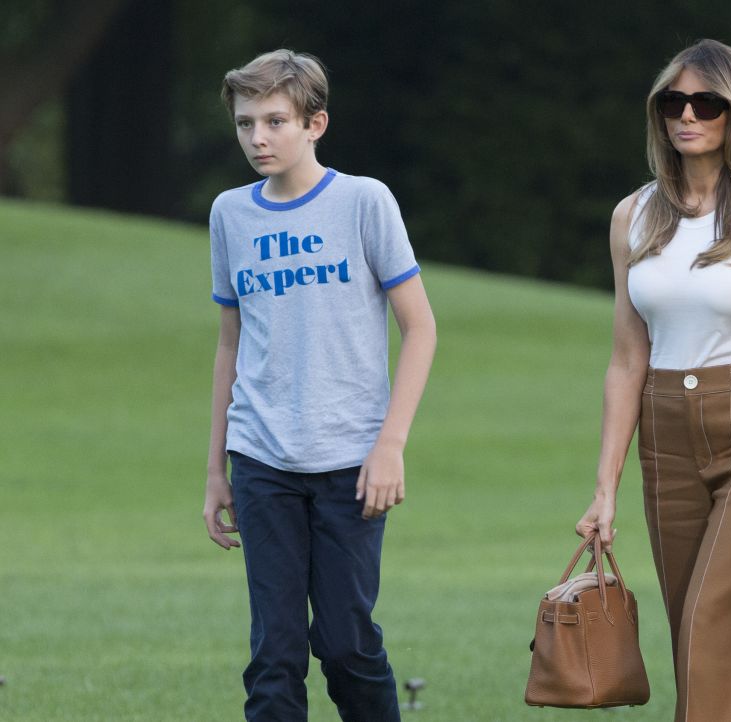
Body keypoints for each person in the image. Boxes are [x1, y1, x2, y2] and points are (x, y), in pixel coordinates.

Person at [574, 39, 731, 722]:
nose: (687, 115)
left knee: (720, 617)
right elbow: (627, 358)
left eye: (706, 103)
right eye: (672, 102)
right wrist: (605, 488)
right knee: (692, 625)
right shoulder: (635, 215)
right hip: (667, 431)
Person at [201, 49, 436, 722]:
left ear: (316, 124)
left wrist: (390, 445)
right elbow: (229, 343)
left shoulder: (364, 202)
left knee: (345, 645)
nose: (258, 138)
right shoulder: (230, 215)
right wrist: (217, 469)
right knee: (274, 655)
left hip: (352, 465)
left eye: (275, 121)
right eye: (246, 123)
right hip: (262, 462)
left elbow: (420, 329)